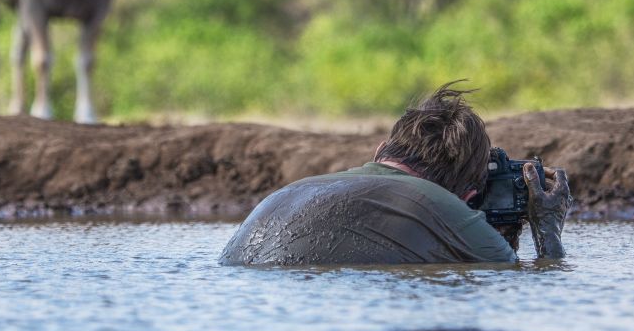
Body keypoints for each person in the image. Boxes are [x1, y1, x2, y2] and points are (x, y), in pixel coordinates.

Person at [219, 82, 571, 266]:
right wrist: (548, 229)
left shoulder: (285, 193)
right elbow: (511, 271)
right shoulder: (445, 208)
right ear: (467, 198)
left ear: (379, 153)